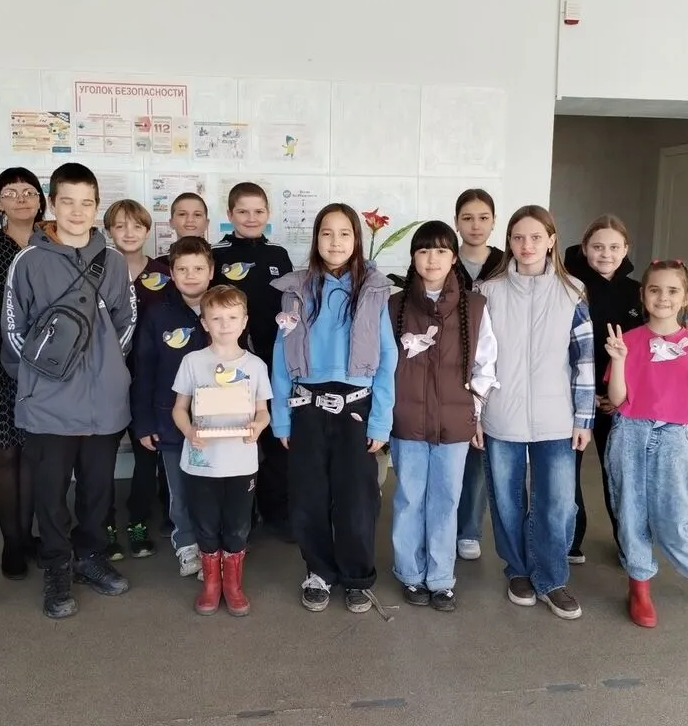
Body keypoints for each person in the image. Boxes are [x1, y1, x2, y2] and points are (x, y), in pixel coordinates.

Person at [2, 162, 137, 619]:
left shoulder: (113, 261)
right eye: (67, 202)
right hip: (49, 402)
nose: (77, 212)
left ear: (96, 206)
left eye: (86, 203)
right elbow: (14, 329)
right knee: (51, 491)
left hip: (103, 402)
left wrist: (104, 369)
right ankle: (57, 565)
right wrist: (42, 378)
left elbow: (126, 322)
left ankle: (91, 556)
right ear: (52, 204)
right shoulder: (28, 261)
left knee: (98, 488)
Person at [270, 203, 398, 614]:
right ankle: (319, 571)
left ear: (357, 240)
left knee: (357, 499)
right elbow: (279, 357)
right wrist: (281, 419)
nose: (335, 242)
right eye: (327, 233)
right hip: (306, 407)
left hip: (356, 409)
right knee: (308, 497)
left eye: (345, 233)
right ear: (316, 239)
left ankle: (357, 576)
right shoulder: (296, 289)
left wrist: (380, 421)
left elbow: (388, 358)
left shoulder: (373, 290)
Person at [478, 205, 594, 621]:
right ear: (508, 242)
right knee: (507, 502)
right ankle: (518, 571)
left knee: (559, 504)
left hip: (556, 418)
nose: (526, 245)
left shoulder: (573, 291)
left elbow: (584, 359)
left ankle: (552, 578)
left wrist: (584, 419)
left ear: (551, 240)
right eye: (517, 238)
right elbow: (478, 360)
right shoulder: (488, 292)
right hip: (501, 416)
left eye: (535, 237)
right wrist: (475, 414)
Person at [604, 259, 688, 628]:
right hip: (629, 431)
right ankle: (639, 586)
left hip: (676, 436)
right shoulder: (628, 340)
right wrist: (618, 360)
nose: (663, 297)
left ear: (687, 297)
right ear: (643, 295)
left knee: (674, 515)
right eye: (655, 289)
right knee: (629, 510)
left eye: (673, 290)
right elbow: (617, 398)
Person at [389, 221, 498, 612]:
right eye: (423, 251)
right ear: (413, 258)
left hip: (454, 425)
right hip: (407, 423)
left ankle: (440, 578)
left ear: (454, 257)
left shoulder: (475, 306)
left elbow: (486, 365)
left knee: (446, 500)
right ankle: (410, 573)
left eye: (440, 251)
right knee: (409, 499)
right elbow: (384, 365)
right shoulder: (395, 305)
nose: (431, 259)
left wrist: (474, 411)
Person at [171, 285, 272, 616]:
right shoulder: (192, 362)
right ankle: (211, 584)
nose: (224, 324)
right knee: (205, 523)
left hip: (241, 462)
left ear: (244, 321)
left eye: (231, 317)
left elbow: (263, 411)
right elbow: (179, 409)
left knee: (238, 525)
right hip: (201, 462)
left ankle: (233, 584)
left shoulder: (255, 366)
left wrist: (258, 426)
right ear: (204, 323)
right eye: (216, 318)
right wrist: (189, 431)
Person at [0, 167, 46, 580]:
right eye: (11, 192)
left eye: (29, 191)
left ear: (41, 200)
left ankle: (29, 534)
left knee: (33, 451)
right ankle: (13, 542)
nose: (20, 199)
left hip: (46, 362)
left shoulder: (51, 243)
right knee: (4, 451)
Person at [212, 182, 294, 539]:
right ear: (230, 215)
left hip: (274, 364)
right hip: (231, 365)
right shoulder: (216, 254)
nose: (251, 218)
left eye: (258, 211)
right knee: (235, 438)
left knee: (275, 438)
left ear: (268, 214)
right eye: (243, 211)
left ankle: (277, 511)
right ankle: (239, 517)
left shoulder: (279, 255)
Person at [130, 236, 214, 579]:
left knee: (214, 487)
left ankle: (214, 547)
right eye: (182, 269)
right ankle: (187, 545)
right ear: (172, 273)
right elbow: (144, 369)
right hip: (170, 419)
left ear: (211, 271)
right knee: (180, 489)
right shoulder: (157, 313)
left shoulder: (225, 307)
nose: (190, 276)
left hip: (219, 419)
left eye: (198, 269)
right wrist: (144, 422)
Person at [563, 215, 644, 564]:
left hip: (620, 400)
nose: (606, 254)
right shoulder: (568, 286)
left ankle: (628, 542)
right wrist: (586, 393)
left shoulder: (637, 291)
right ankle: (571, 538)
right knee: (567, 472)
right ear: (585, 248)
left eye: (614, 247)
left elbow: (643, 351)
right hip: (574, 397)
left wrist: (618, 394)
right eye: (597, 246)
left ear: (625, 249)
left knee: (620, 474)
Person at [101, 199, 169, 560]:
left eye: (137, 226)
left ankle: (138, 520)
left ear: (147, 231)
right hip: (105, 380)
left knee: (147, 454)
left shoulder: (164, 274)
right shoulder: (96, 272)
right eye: (120, 225)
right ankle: (104, 524)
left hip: (149, 380)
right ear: (108, 231)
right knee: (100, 458)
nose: (129, 233)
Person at [451, 188, 506, 562]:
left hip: (494, 366)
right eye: (467, 218)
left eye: (483, 218)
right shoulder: (444, 258)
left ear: (494, 221)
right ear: (456, 222)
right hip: (449, 366)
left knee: (479, 448)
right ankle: (443, 523)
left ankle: (469, 529)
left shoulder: (506, 262)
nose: (475, 225)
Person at [154, 192, 210, 267]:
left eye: (197, 214)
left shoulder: (219, 259)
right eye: (182, 214)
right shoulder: (159, 264)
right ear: (171, 222)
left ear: (206, 223)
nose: (190, 220)